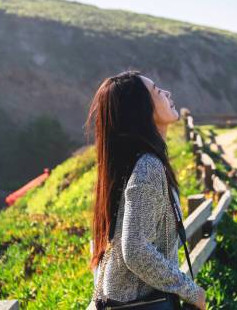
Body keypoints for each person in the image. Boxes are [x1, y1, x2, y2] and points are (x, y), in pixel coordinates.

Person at [85, 70, 207, 309]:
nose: (167, 93)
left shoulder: (134, 163)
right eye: (157, 91)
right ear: (140, 110)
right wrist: (190, 290)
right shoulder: (148, 167)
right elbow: (135, 250)